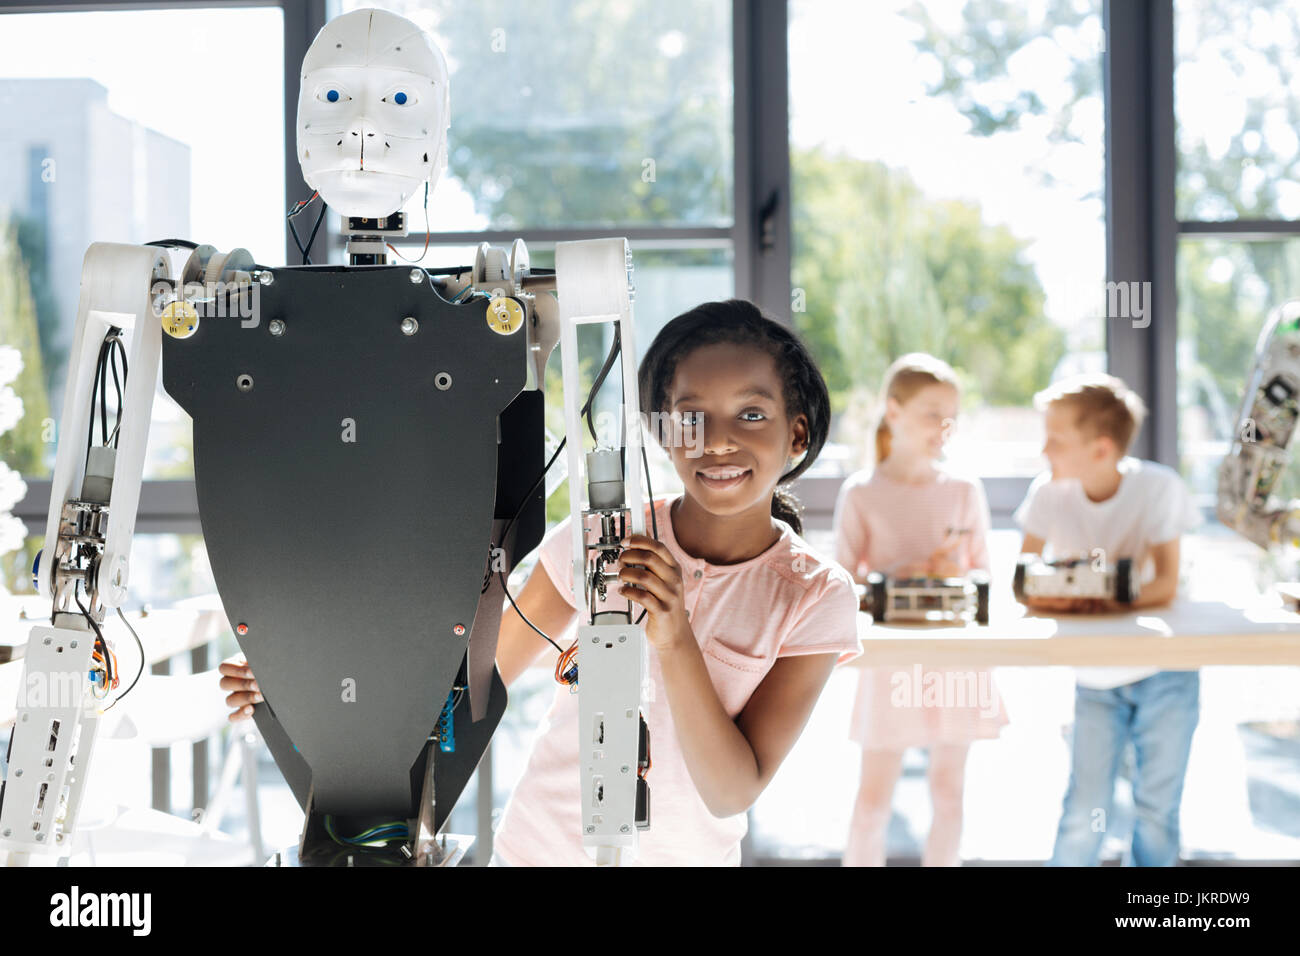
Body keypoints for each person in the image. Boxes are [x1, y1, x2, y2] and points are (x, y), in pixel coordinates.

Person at [221, 298, 862, 865]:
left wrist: (675, 639)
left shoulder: (814, 595)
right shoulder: (603, 538)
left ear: (796, 434)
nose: (718, 443)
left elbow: (731, 791)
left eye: (751, 415)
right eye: (691, 418)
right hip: (539, 851)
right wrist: (305, 683)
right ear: (663, 434)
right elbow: (468, 679)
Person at [1014, 373, 1202, 866]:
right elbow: (1024, 580)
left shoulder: (1159, 488)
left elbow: (1165, 583)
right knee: (1085, 807)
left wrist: (1090, 600)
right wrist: (1076, 600)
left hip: (1167, 670)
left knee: (1156, 809)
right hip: (1096, 674)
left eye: (1055, 440)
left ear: (1100, 449)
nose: (1043, 450)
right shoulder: (1048, 493)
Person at [834, 352, 1007, 867]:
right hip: (891, 665)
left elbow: (985, 579)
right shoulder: (861, 493)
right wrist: (895, 580)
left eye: (951, 415)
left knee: (949, 793)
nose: (944, 427)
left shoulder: (963, 490)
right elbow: (839, 585)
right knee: (872, 802)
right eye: (932, 413)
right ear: (894, 413)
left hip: (956, 659)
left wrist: (950, 575)